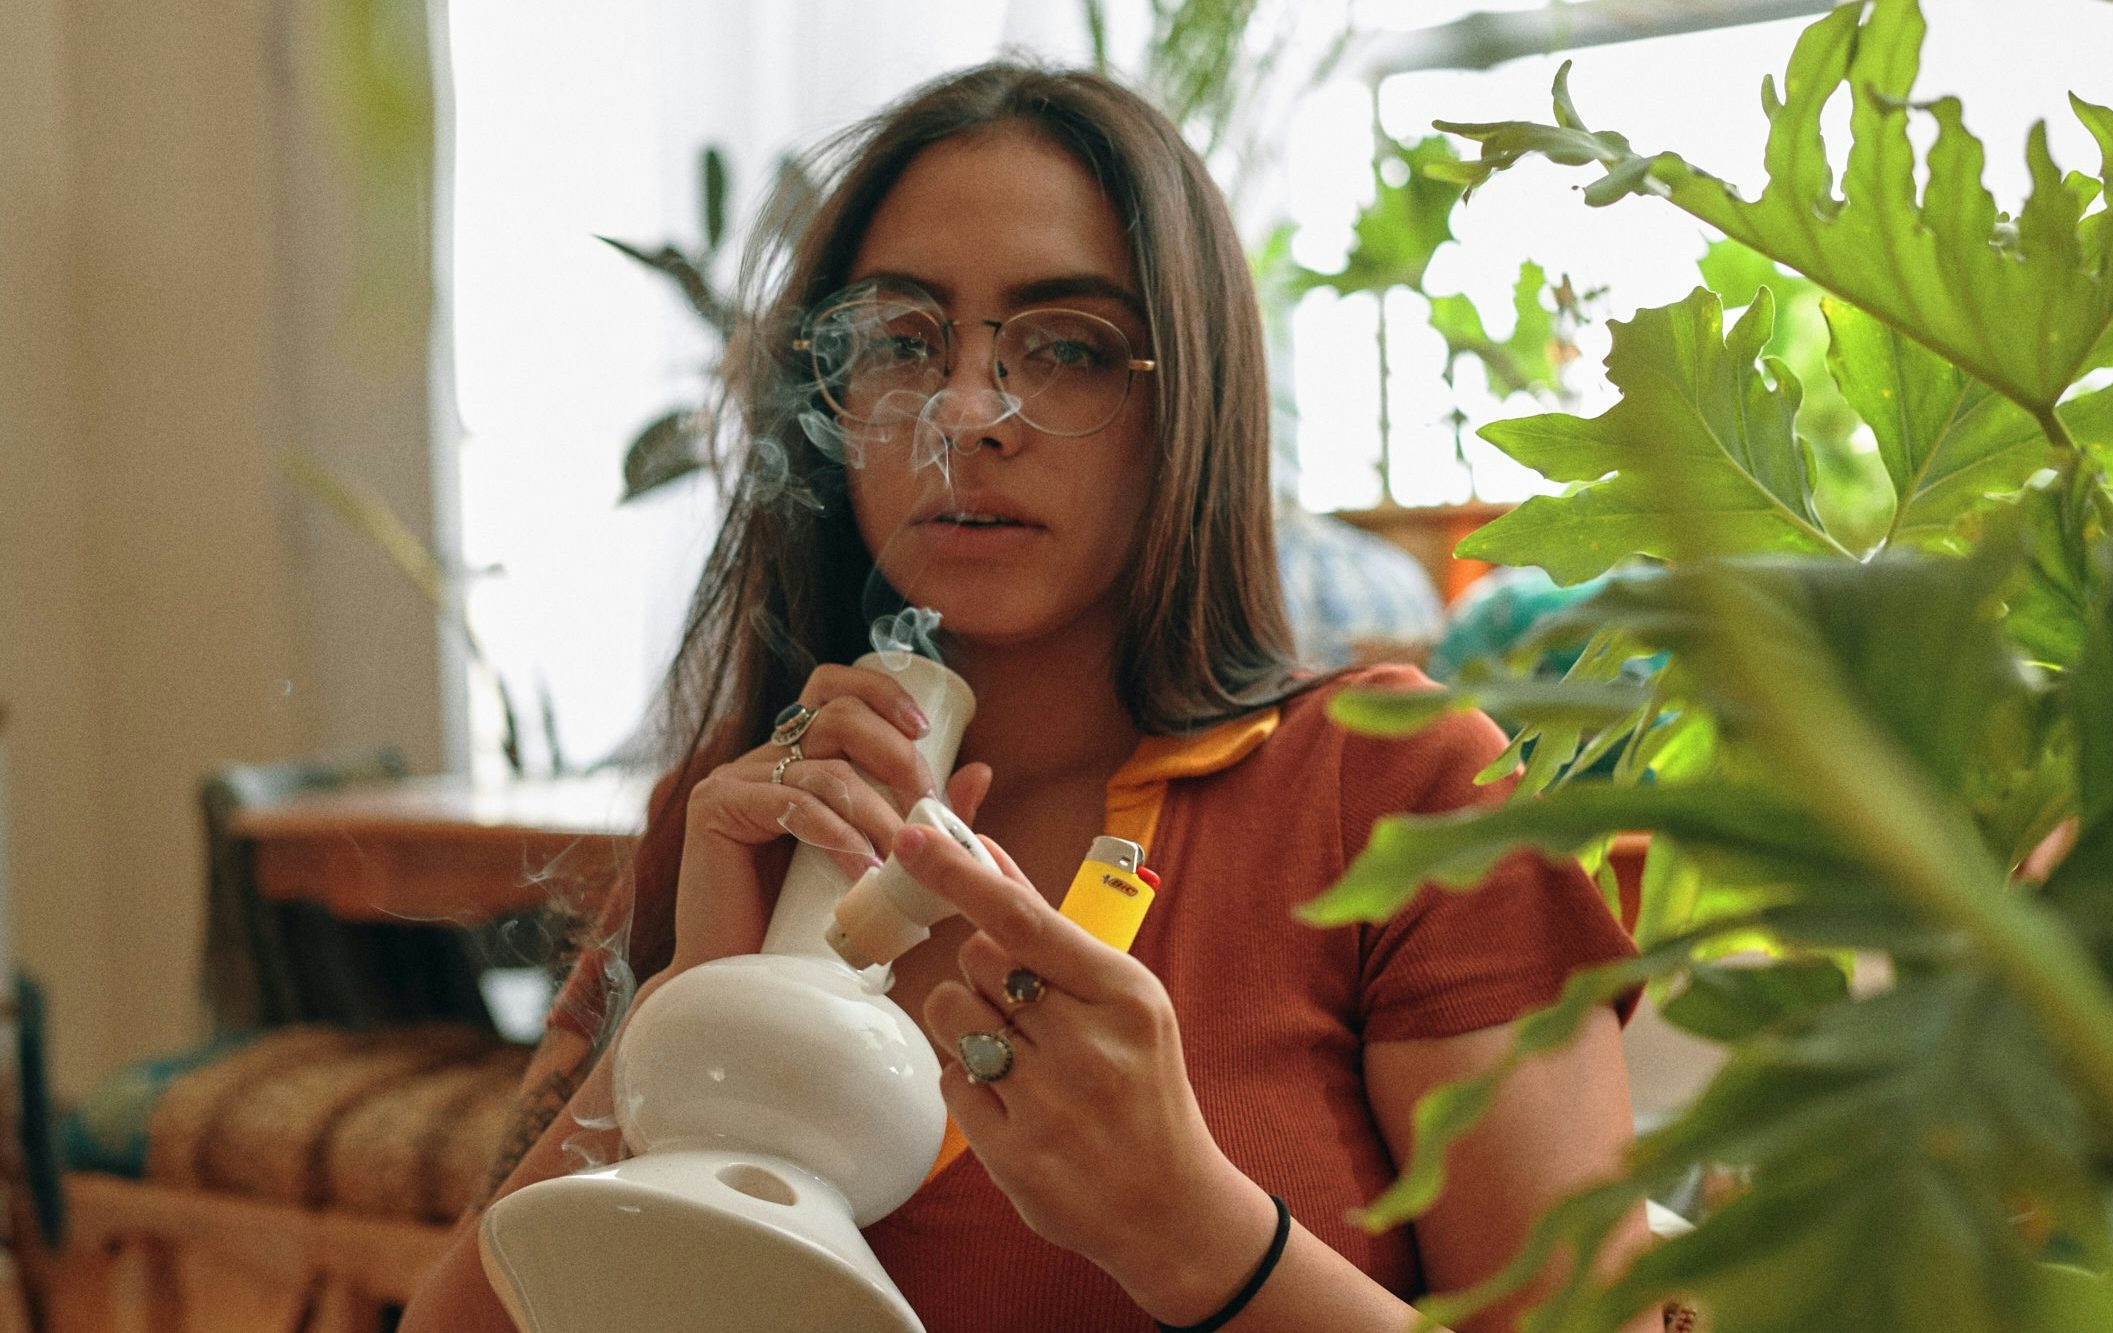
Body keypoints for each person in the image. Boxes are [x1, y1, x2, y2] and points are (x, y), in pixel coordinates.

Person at [403, 62, 1651, 1333]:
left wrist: (1196, 1236)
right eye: (901, 341)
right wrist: (677, 1026)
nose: (966, 413)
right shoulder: (739, 818)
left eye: (1067, 349)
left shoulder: (1406, 793)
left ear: (1189, 398)